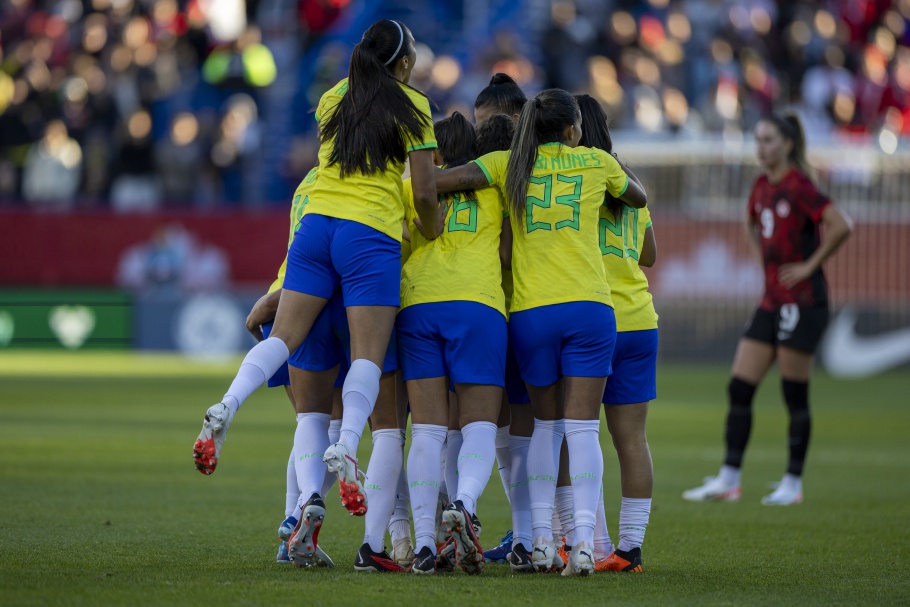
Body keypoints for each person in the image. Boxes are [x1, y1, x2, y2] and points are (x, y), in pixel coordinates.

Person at [192, 18, 440, 569]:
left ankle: (227, 402)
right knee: (368, 355)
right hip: (368, 233)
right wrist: (431, 226)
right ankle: (347, 446)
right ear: (402, 62)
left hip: (315, 227)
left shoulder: (332, 95)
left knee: (285, 336)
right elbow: (423, 192)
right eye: (415, 53)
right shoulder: (415, 106)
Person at [435, 88, 647, 576]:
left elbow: (446, 180)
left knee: (545, 432)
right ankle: (586, 546)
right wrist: (608, 158)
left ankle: (542, 543)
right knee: (584, 430)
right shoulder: (596, 161)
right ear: (572, 129)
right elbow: (638, 196)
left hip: (531, 313)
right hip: (591, 309)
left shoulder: (509, 164)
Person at [683, 113, 852, 506]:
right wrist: (765, 263)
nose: (761, 147)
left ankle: (792, 483)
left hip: (803, 302)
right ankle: (729, 479)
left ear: (788, 144)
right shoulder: (761, 185)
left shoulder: (800, 186)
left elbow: (841, 223)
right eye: (757, 139)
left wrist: (809, 266)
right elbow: (750, 224)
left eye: (769, 140)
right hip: (771, 302)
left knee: (794, 393)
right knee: (739, 387)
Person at [399, 112, 507, 575]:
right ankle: (463, 504)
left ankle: (424, 543)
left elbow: (399, 241)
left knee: (426, 430)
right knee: (479, 423)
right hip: (478, 305)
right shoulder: (496, 186)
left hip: (419, 304)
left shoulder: (408, 189)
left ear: (435, 155)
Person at [574, 94, 656, 573]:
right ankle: (629, 549)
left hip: (592, 319)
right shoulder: (628, 183)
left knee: (574, 434)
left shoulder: (573, 181)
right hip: (640, 320)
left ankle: (582, 537)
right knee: (632, 440)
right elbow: (649, 255)